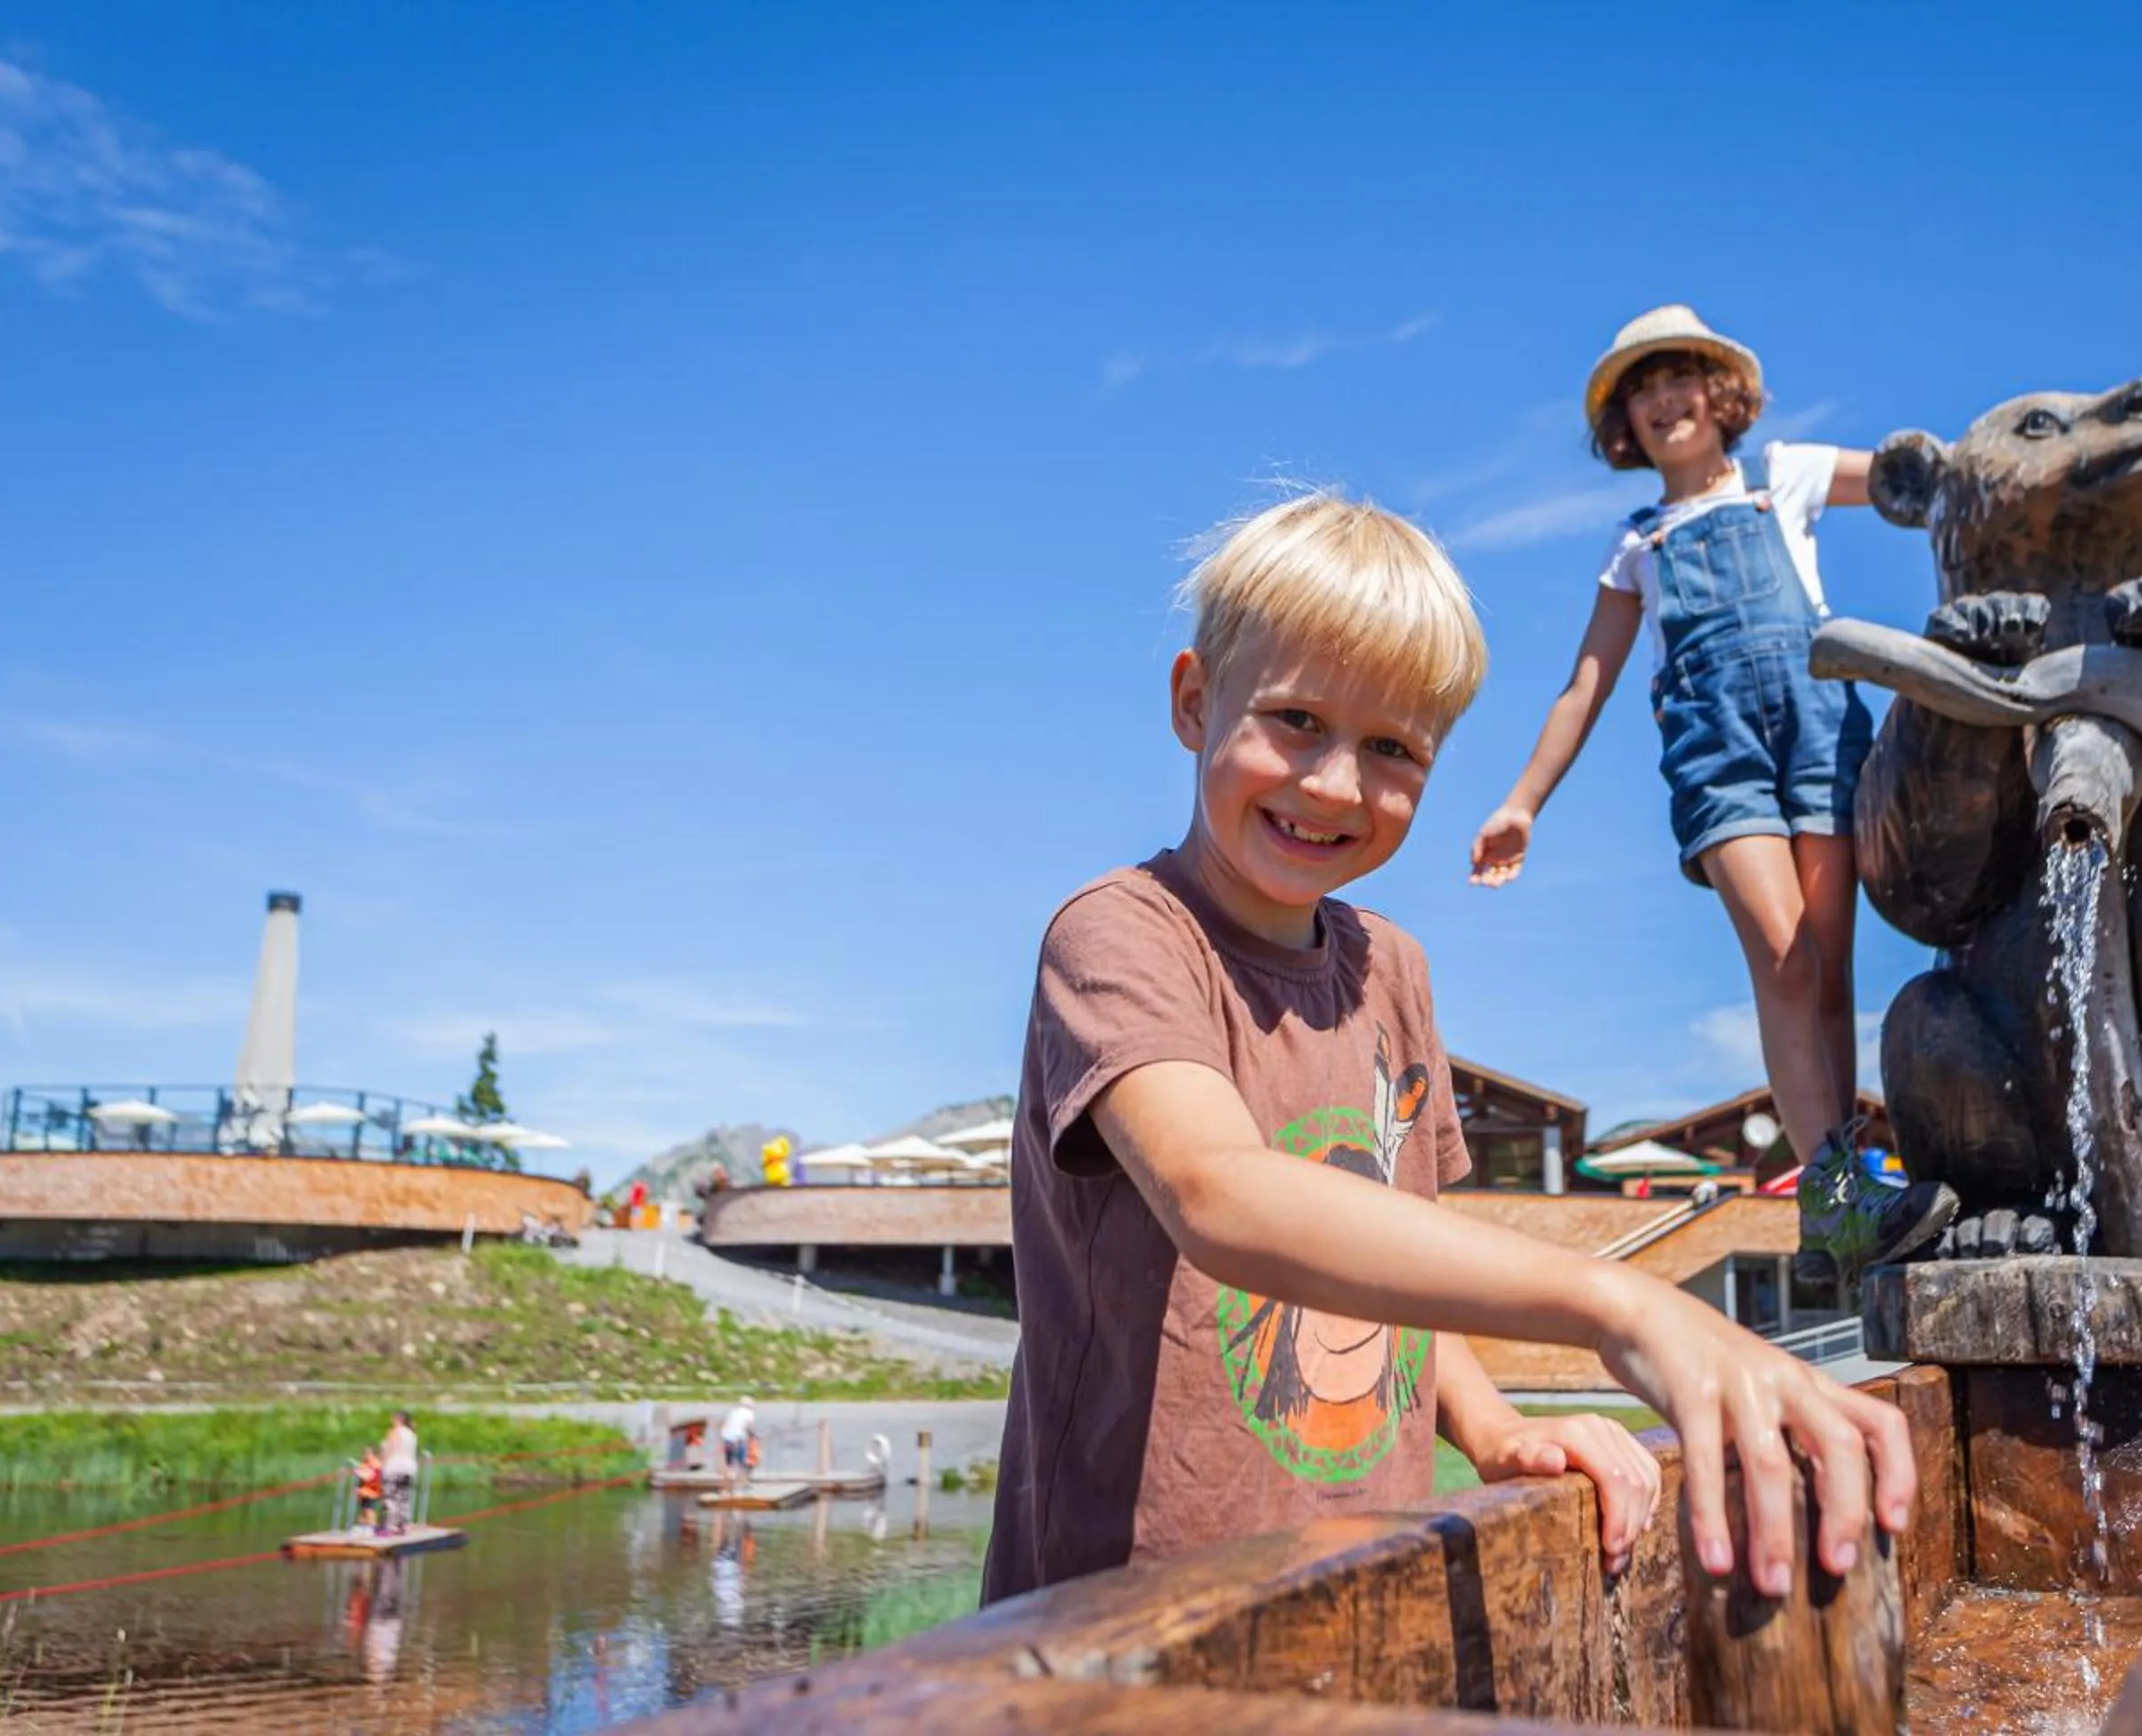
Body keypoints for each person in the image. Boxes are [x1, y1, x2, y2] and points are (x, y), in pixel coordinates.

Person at [984, 492, 1916, 1609]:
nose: (1334, 784)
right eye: (1294, 720)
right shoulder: (1122, 932)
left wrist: (1492, 1425)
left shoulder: (1393, 970)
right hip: (1120, 1620)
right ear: (1194, 701)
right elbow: (1218, 1193)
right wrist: (1623, 1302)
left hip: (1358, 1584)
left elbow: (1394, 1264)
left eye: (1391, 747)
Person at [1470, 306, 1959, 1273]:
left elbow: (1919, 479)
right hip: (1715, 749)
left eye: (1676, 378)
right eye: (1640, 391)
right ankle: (1834, 1186)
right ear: (1626, 425)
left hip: (1822, 726)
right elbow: (1587, 682)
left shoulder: (1791, 475)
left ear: (1718, 393)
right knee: (1780, 958)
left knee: (1827, 969)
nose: (1661, 400)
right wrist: (1523, 799)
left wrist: (1982, 464)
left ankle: (1840, 1204)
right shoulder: (1636, 543)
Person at [379, 1412, 418, 1535]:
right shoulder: (411, 1434)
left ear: (399, 1419)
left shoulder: (395, 1432)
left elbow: (389, 1450)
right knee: (403, 1497)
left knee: (391, 1497)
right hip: (409, 1468)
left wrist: (381, 1462)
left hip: (394, 1467)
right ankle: (403, 1525)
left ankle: (391, 1526)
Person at [718, 1396, 759, 1482]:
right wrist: (754, 1436)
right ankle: (745, 1478)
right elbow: (749, 1427)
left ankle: (731, 1474)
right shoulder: (749, 1413)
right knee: (742, 1459)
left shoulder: (733, 1411)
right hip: (738, 1437)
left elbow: (727, 1424)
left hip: (726, 1437)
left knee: (730, 1457)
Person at [353, 1445, 384, 1532]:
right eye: (363, 1454)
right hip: (364, 1492)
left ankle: (373, 1527)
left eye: (367, 1453)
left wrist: (359, 1472)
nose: (365, 1456)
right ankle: (361, 1526)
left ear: (373, 1454)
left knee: (369, 1510)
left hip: (371, 1492)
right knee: (363, 1510)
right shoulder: (364, 1464)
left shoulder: (375, 1464)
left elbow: (370, 1476)